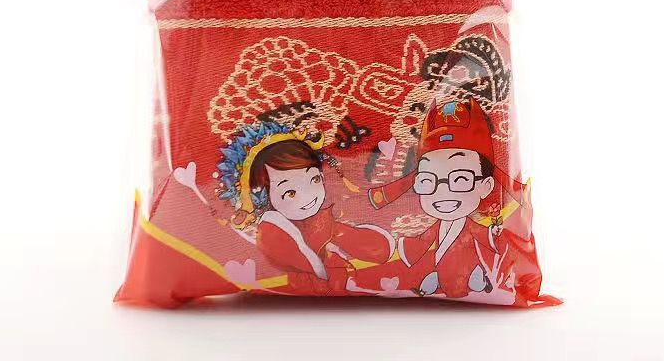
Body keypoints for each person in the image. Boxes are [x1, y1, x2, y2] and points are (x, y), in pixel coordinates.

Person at [366, 97, 540, 303]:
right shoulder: (437, 227)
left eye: (460, 179)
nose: (442, 191)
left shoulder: (471, 226)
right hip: (442, 272)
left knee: (468, 269)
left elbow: (483, 235)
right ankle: (441, 279)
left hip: (466, 270)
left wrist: (494, 231)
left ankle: (474, 279)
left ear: (486, 185)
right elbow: (424, 239)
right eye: (428, 180)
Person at [221, 128, 394, 295]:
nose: (309, 196)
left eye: (315, 179)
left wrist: (341, 236)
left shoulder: (323, 222)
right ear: (263, 198)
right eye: (290, 192)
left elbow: (376, 248)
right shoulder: (272, 233)